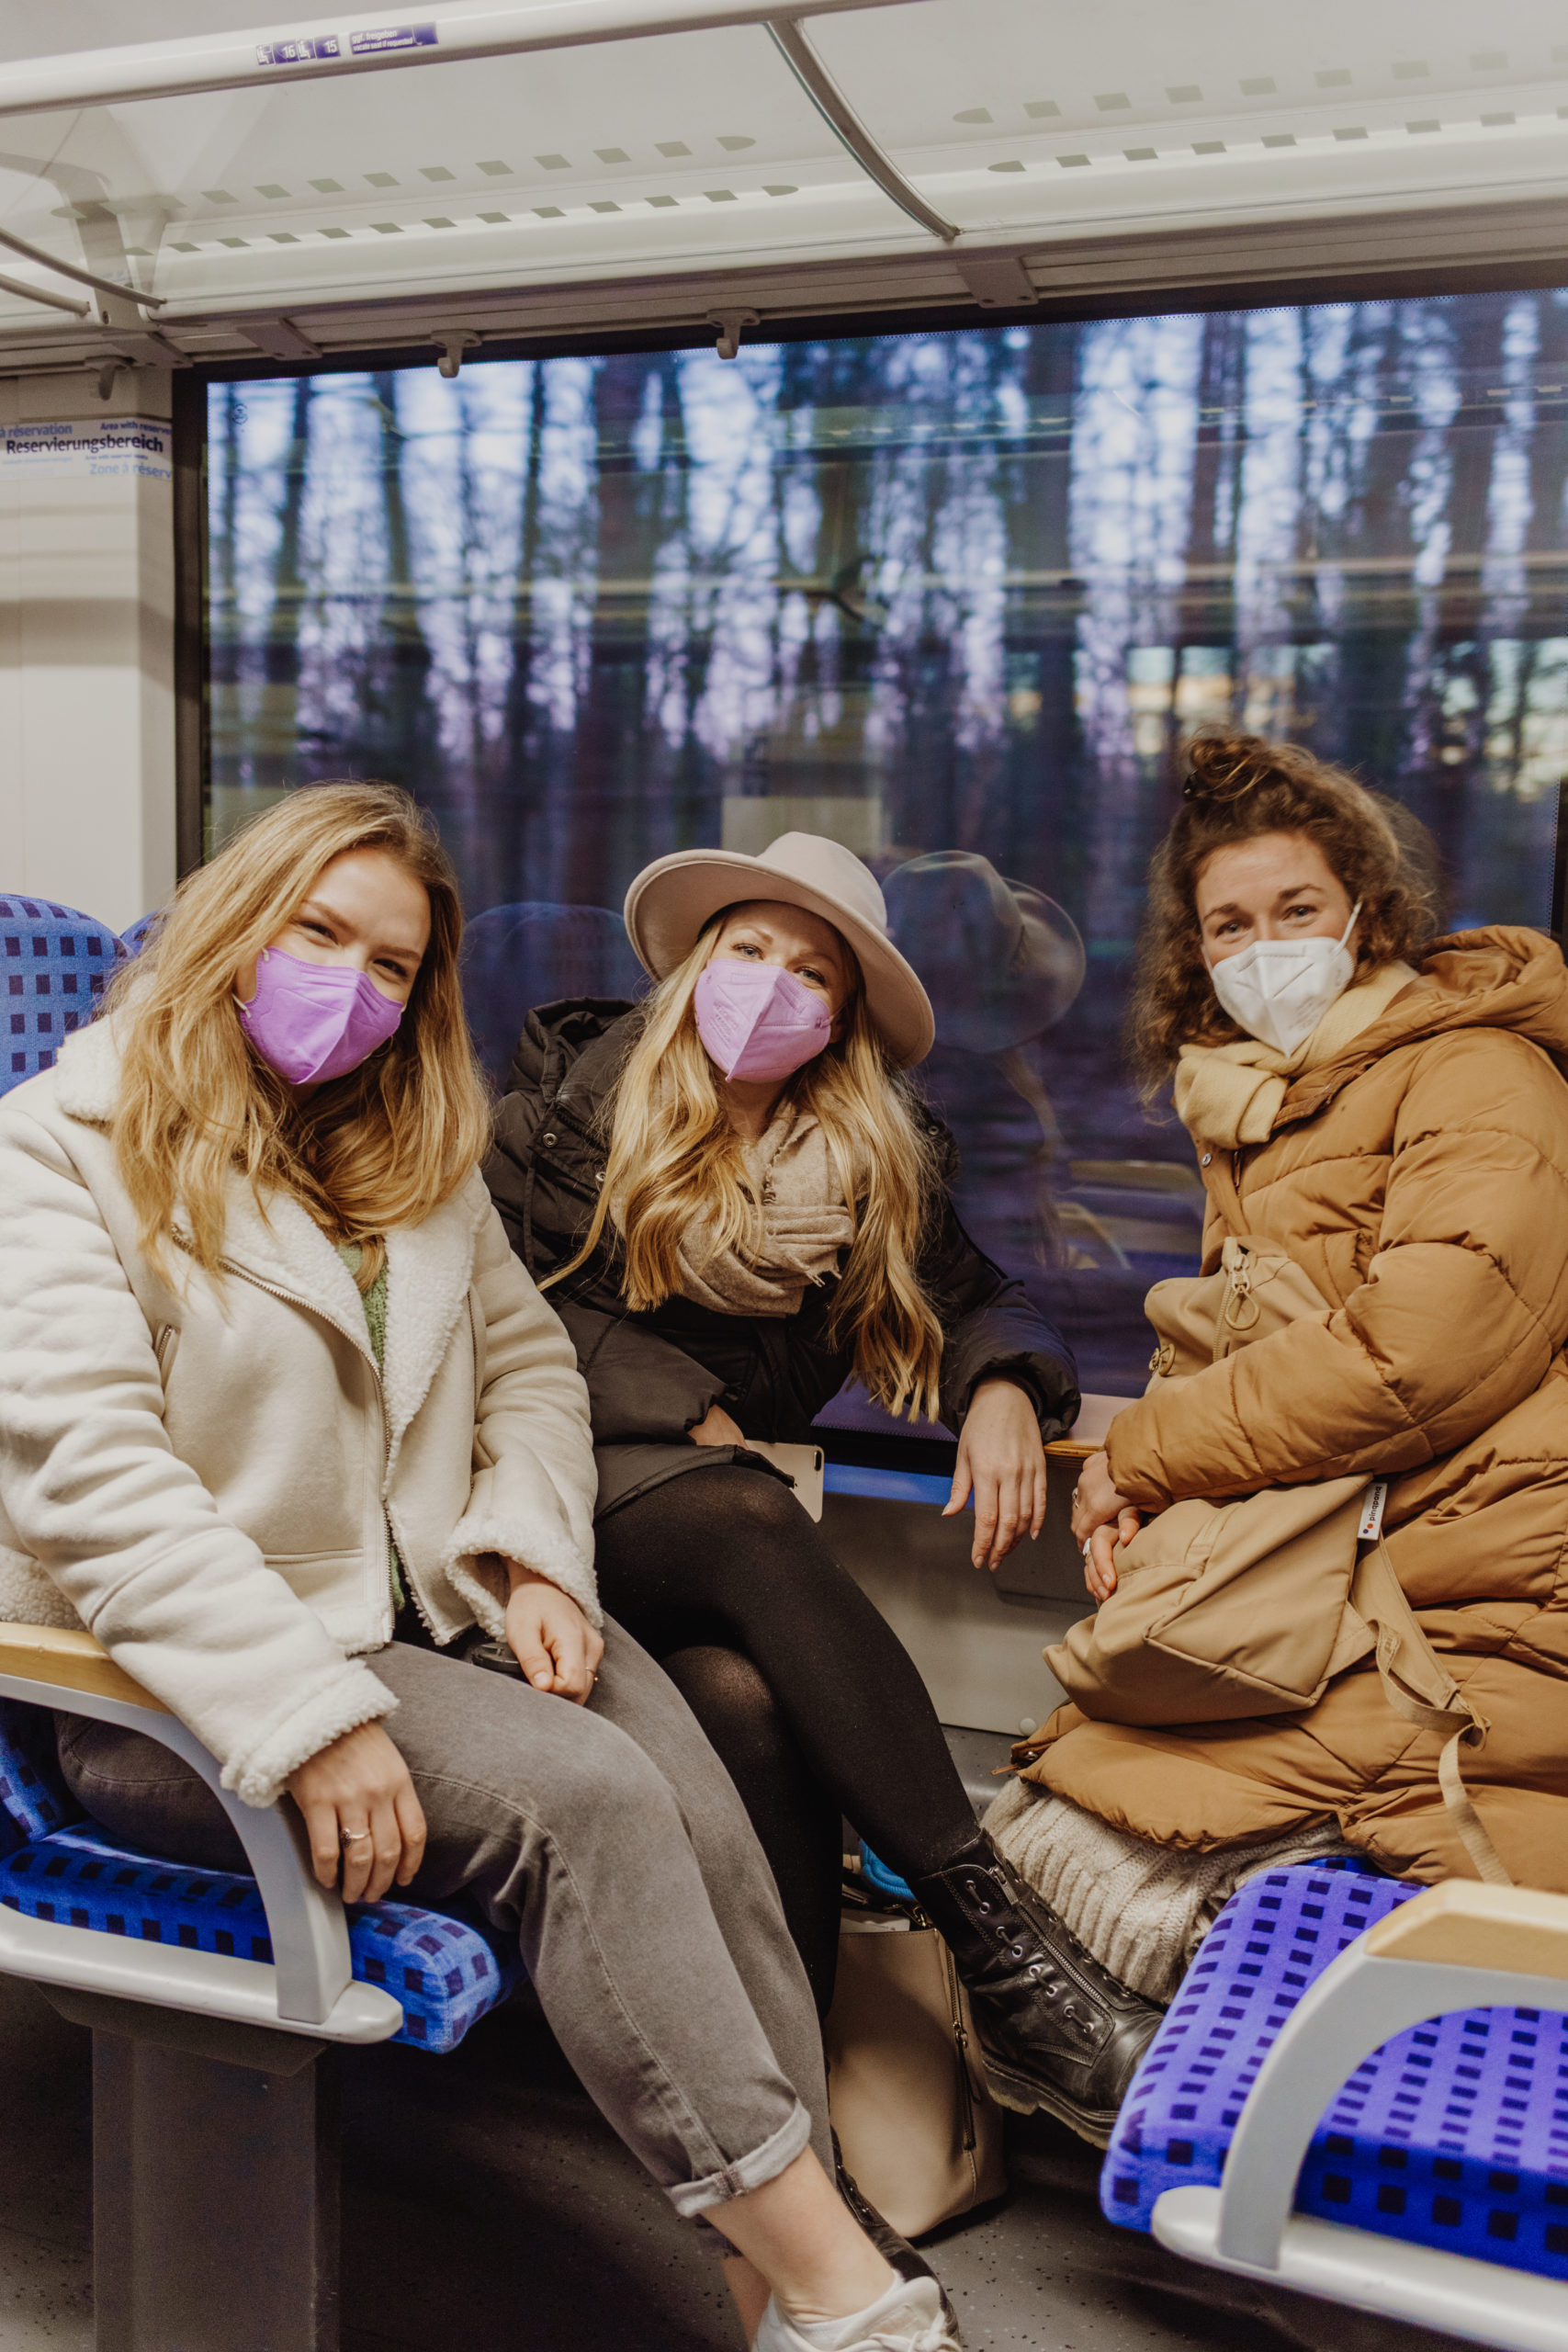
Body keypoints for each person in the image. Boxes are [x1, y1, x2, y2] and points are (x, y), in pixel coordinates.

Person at [0, 783, 967, 2352]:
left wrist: (528, 1560)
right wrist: (302, 1713)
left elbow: (534, 1379)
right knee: (586, 1802)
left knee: (699, 1779)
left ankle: (779, 2263)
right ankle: (851, 2301)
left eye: (392, 967)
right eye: (319, 934)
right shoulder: (59, 1150)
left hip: (435, 1612)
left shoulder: (413, 1160)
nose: (352, 989)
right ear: (233, 923)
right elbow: (91, 1482)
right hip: (184, 1687)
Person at [485, 830, 1162, 2129]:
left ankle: (782, 2107)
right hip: (542, 1490)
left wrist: (1007, 1387)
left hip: (694, 1520)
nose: (770, 985)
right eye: (749, 950)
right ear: (694, 965)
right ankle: (1004, 1951)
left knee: (745, 1701)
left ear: (840, 1019)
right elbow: (493, 1322)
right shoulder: (552, 1121)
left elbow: (982, 1302)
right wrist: (685, 1406)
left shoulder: (864, 1160)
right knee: (743, 1512)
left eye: (813, 972)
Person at [993, 730, 1568, 2127]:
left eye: (1296, 912)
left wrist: (1139, 1455)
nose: (1265, 949)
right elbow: (1273, 1366)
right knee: (1044, 1796)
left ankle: (1243, 2118)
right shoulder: (1264, 1109)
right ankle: (1197, 2109)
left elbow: (1412, 1358)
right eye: (1228, 925)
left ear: (1366, 913)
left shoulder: (1478, 1076)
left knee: (1059, 1836)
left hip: (1464, 1585)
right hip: (1360, 1554)